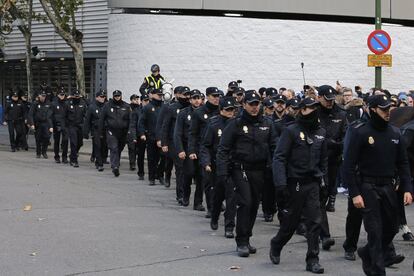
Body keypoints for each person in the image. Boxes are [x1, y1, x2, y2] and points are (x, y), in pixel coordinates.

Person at [342, 95, 413, 276]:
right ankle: (376, 270)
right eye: (383, 109)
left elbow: (403, 164)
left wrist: (407, 188)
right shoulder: (360, 132)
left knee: (391, 227)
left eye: (389, 108)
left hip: (388, 186)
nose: (387, 112)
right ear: (372, 110)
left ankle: (367, 252)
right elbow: (348, 165)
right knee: (374, 231)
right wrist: (355, 193)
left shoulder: (395, 133)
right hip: (367, 186)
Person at [270, 97, 327, 274]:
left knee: (315, 222)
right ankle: (277, 243)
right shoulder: (291, 131)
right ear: (301, 110)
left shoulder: (321, 132)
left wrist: (324, 182)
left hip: (313, 183)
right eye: (309, 108)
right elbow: (279, 158)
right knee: (291, 223)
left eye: (315, 108)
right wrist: (280, 183)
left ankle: (312, 259)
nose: (313, 111)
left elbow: (323, 160)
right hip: (295, 183)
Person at [217, 91, 275, 257]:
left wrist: (274, 168)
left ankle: (247, 237)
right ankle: (241, 240)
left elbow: (274, 147)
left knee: (255, 204)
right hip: (240, 168)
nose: (255, 107)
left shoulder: (267, 123)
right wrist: (222, 173)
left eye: (257, 104)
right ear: (244, 105)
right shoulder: (235, 124)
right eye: (251, 104)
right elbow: (223, 149)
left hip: (259, 169)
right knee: (246, 203)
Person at [200, 96, 237, 238]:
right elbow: (206, 146)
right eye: (227, 110)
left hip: (233, 166)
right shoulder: (213, 124)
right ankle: (214, 215)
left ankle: (229, 227)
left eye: (232, 110)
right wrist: (206, 162)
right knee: (218, 196)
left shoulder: (236, 124)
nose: (230, 112)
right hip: (217, 165)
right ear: (221, 110)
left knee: (231, 197)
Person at [316, 85, 347, 251]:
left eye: (331, 99)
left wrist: (337, 145)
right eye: (326, 99)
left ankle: (314, 224)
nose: (329, 102)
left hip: (334, 160)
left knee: (327, 194)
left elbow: (346, 133)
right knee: (319, 197)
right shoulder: (313, 112)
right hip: (317, 162)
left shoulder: (340, 113)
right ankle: (324, 235)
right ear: (319, 97)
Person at [189, 87, 221, 215]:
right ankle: (210, 207)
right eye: (214, 96)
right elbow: (193, 133)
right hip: (204, 149)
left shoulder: (221, 110)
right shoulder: (199, 112)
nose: (216, 98)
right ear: (207, 97)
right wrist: (191, 150)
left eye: (218, 95)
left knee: (220, 179)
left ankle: (217, 201)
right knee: (206, 179)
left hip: (220, 149)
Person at [173, 89, 204, 207]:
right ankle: (185, 196)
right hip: (187, 147)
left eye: (198, 98)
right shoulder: (183, 113)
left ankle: (198, 202)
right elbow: (178, 133)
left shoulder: (204, 113)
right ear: (190, 100)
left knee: (201, 176)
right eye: (194, 98)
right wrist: (180, 149)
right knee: (189, 173)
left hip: (201, 147)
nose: (197, 101)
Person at [161, 86, 191, 197]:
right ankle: (180, 194)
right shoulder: (172, 108)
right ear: (178, 95)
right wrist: (164, 142)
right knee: (180, 168)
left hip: (188, 142)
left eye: (188, 95)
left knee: (187, 170)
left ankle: (184, 191)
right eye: (184, 95)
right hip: (174, 141)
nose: (187, 97)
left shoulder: (191, 109)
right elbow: (165, 126)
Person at [99, 90, 130, 176]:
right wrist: (100, 131)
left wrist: (129, 131)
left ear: (121, 96)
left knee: (119, 148)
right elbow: (102, 119)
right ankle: (115, 166)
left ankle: (116, 161)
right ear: (113, 96)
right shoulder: (107, 106)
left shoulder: (126, 106)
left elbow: (130, 120)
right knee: (114, 148)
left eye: (118, 96)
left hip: (123, 131)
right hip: (111, 130)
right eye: (115, 96)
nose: (117, 97)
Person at [138, 88, 165, 185]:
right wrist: (142, 134)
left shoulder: (164, 107)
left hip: (163, 137)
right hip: (151, 136)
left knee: (164, 157)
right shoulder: (148, 107)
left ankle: (160, 174)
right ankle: (152, 177)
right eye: (158, 94)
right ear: (152, 95)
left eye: (161, 94)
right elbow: (141, 122)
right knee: (152, 158)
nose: (160, 96)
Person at [84, 89, 108, 171]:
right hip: (96, 129)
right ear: (97, 97)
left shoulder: (106, 106)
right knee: (97, 146)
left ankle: (99, 161)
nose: (103, 98)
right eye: (101, 97)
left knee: (104, 147)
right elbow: (87, 120)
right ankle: (99, 163)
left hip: (105, 129)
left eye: (104, 96)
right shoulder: (92, 107)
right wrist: (86, 132)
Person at [65, 90, 87, 167]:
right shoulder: (68, 103)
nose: (77, 97)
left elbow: (86, 115)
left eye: (78, 96)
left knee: (80, 143)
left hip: (80, 125)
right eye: (75, 96)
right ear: (72, 96)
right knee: (73, 143)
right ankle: (74, 160)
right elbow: (64, 115)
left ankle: (72, 154)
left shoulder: (83, 103)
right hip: (71, 126)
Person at [28, 91, 53, 158]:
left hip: (46, 123)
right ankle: (38, 153)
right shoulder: (35, 103)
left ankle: (44, 151)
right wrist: (32, 124)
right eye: (42, 96)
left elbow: (51, 116)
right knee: (38, 139)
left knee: (47, 137)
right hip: (37, 124)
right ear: (39, 96)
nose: (43, 97)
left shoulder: (48, 103)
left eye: (44, 96)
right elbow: (30, 115)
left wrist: (51, 126)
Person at [51, 89, 68, 163]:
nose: (62, 96)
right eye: (61, 95)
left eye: (63, 95)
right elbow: (51, 115)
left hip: (65, 125)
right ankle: (57, 156)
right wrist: (51, 125)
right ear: (57, 95)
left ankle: (64, 157)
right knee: (57, 141)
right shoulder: (54, 104)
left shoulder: (67, 103)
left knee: (65, 141)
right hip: (56, 125)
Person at [128, 94, 141, 171]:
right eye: (135, 99)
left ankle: (135, 162)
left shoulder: (140, 108)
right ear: (131, 100)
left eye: (137, 99)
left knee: (137, 149)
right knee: (132, 148)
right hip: (130, 130)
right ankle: (132, 163)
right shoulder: (128, 108)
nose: (136, 100)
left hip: (138, 130)